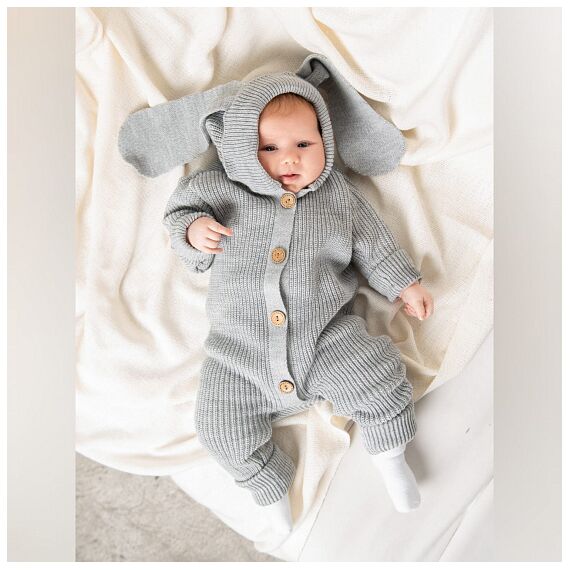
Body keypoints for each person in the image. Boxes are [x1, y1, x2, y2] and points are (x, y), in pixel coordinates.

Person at [119, 54, 434, 535]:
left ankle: (391, 458)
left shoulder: (339, 198)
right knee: (218, 428)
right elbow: (178, 216)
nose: (289, 158)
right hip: (238, 353)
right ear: (242, 149)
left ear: (326, 141)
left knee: (382, 378)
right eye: (269, 147)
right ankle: (268, 486)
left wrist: (404, 283)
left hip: (325, 338)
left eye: (304, 143)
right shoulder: (219, 188)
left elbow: (374, 244)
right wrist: (194, 231)